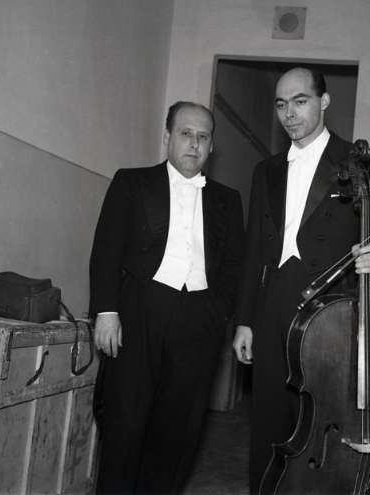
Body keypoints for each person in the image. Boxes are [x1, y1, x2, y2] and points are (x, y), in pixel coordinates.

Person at [232, 67, 370, 493]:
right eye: (281, 104)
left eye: (300, 101)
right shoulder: (265, 170)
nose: (289, 114)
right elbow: (253, 250)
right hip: (273, 306)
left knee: (322, 424)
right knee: (269, 422)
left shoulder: (364, 162)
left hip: (332, 313)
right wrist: (245, 320)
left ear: (324, 102)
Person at [90, 101, 244, 494]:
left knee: (178, 430)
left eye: (203, 137)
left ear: (212, 146)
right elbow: (106, 250)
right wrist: (106, 311)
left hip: (198, 321)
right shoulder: (131, 183)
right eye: (186, 133)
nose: (194, 143)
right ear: (167, 137)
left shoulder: (228, 200)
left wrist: (217, 315)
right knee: (125, 422)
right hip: (138, 313)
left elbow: (233, 267)